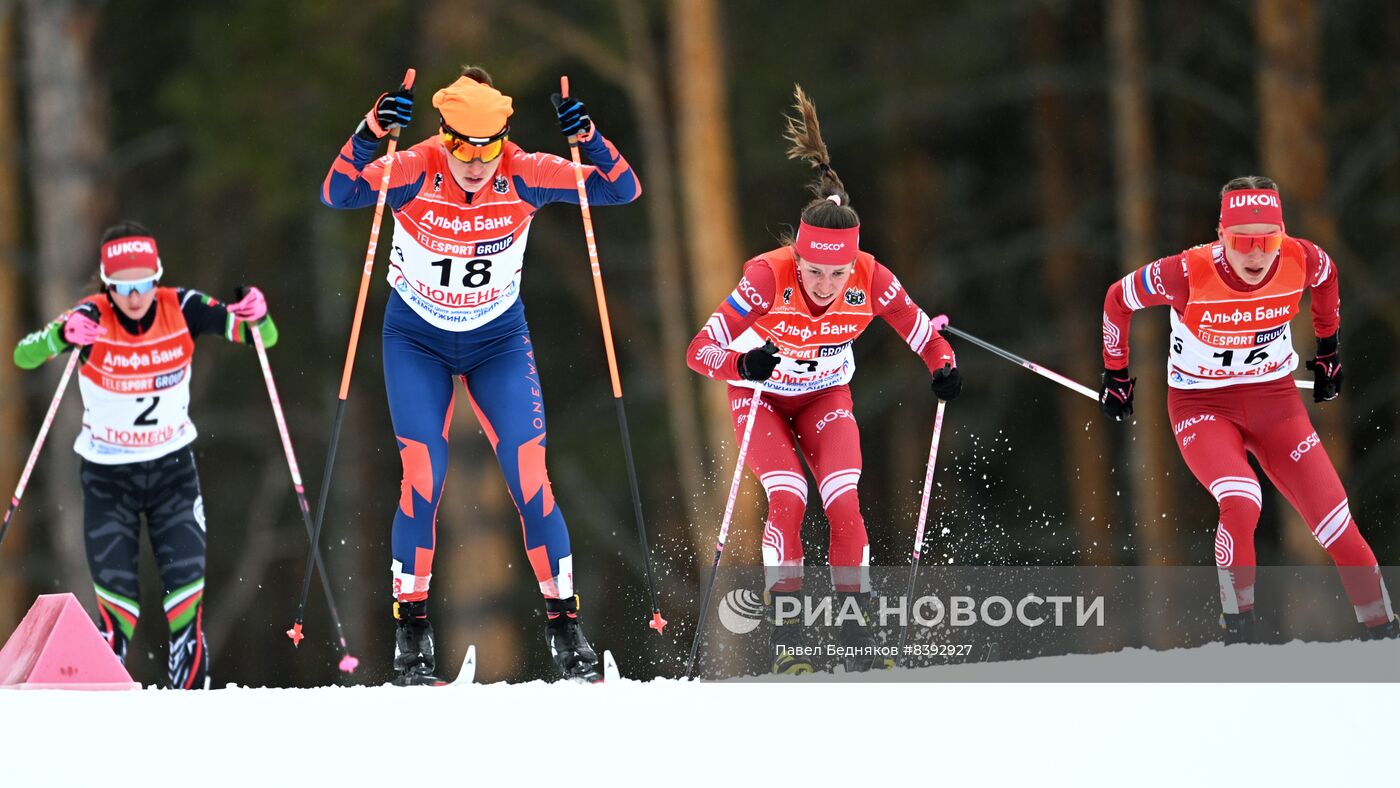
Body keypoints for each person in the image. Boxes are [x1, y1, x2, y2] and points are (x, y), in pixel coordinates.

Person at [320, 66, 640, 684]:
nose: (474, 162)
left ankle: (565, 630)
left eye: (486, 147)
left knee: (530, 475)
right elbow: (339, 193)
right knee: (423, 476)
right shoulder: (416, 167)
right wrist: (367, 132)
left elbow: (620, 189)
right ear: (444, 135)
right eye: (461, 146)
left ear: (504, 139)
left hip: (497, 340)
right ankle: (411, 636)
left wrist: (592, 137)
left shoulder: (526, 171)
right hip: (417, 339)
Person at [686, 86, 961, 673]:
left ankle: (857, 638)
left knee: (843, 499)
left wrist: (942, 367)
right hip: (760, 397)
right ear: (798, 257)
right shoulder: (767, 278)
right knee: (789, 495)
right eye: (814, 271)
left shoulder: (871, 277)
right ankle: (788, 643)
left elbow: (918, 328)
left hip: (825, 395)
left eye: (837, 273)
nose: (825, 285)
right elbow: (698, 351)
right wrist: (742, 363)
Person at [1099, 175, 1396, 642]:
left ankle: (1384, 636)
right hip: (1202, 405)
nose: (1256, 254)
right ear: (1221, 237)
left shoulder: (1301, 258)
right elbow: (1118, 299)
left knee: (1336, 522)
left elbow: (1328, 278)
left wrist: (1329, 351)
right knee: (1241, 500)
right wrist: (1115, 375)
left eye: (1268, 240)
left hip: (1274, 403)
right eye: (1242, 241)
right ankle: (1240, 633)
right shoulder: (1184, 272)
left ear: (1282, 234)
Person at [13, 221, 276, 688]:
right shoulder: (91, 316)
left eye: (144, 284)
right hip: (108, 479)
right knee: (120, 613)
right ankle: (103, 704)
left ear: (157, 277)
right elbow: (24, 356)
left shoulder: (184, 307)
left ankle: (190, 704)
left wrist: (259, 314)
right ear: (107, 285)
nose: (134, 297)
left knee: (185, 604)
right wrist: (60, 336)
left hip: (173, 473)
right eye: (122, 287)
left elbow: (261, 338)